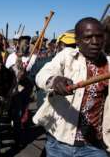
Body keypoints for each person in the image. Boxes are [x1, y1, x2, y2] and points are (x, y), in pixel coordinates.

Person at [33, 17, 110, 156]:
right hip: (59, 142)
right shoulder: (66, 56)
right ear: (78, 40)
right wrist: (54, 80)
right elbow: (42, 75)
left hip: (95, 145)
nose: (94, 42)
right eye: (88, 37)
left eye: (99, 36)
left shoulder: (109, 64)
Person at [5, 35, 35, 148]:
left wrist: (25, 74)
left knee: (23, 113)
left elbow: (33, 74)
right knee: (16, 114)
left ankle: (21, 132)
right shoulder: (11, 57)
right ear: (18, 44)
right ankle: (17, 138)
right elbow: (6, 73)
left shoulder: (32, 57)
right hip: (14, 90)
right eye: (24, 43)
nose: (26, 45)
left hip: (26, 89)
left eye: (28, 43)